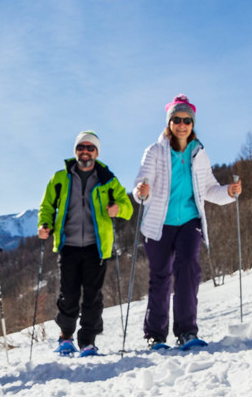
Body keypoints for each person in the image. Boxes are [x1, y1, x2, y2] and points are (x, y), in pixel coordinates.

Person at [133, 95, 241, 349]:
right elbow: (141, 185)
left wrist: (228, 192)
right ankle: (156, 336)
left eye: (187, 121)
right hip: (159, 224)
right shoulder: (155, 151)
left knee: (188, 271)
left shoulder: (199, 153)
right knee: (160, 277)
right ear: (169, 123)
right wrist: (142, 192)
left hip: (190, 221)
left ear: (192, 124)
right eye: (177, 120)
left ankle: (187, 332)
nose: (182, 125)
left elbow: (210, 189)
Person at [37, 131, 134, 356]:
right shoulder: (60, 178)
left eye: (90, 148)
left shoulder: (107, 179)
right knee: (68, 295)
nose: (85, 151)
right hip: (68, 245)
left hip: (96, 248)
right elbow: (47, 207)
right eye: (81, 147)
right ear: (76, 151)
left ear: (97, 153)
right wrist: (45, 224)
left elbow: (127, 207)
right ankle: (65, 337)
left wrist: (118, 209)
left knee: (93, 296)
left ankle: (88, 341)